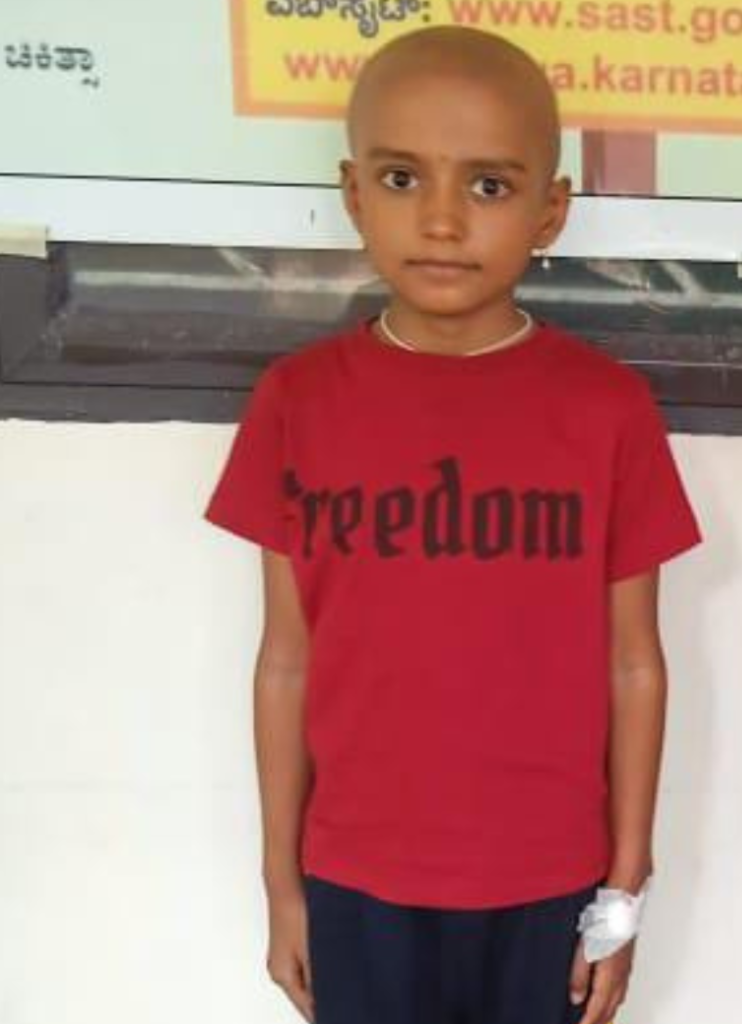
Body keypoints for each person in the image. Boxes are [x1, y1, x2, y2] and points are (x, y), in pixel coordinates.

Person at [203, 24, 703, 1024]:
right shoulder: (298, 401)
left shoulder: (607, 410)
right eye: (401, 179)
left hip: (549, 880)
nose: (440, 220)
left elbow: (634, 662)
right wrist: (281, 880)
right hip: (356, 880)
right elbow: (286, 660)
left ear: (550, 209)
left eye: (487, 185)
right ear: (353, 193)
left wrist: (627, 881)